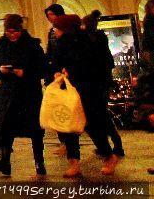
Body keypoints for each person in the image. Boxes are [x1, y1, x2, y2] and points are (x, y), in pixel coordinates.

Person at [47, 13, 120, 177]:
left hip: (89, 91)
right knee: (70, 126)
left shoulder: (87, 41)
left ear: (66, 29)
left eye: (57, 29)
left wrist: (70, 71)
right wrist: (56, 72)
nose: (55, 32)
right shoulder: (61, 43)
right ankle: (74, 163)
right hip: (69, 90)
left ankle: (109, 156)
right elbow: (55, 63)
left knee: (93, 125)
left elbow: (93, 65)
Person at [0, 14, 46, 177]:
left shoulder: (33, 45)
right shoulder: (0, 45)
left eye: (15, 31)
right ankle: (5, 162)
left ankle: (39, 162)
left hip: (29, 94)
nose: (12, 35)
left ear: (21, 29)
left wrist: (25, 72)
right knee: (6, 128)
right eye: (9, 31)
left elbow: (42, 68)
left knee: (35, 130)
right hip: (8, 94)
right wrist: (0, 70)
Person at [81, 10, 125, 157]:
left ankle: (114, 144)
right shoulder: (100, 38)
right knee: (102, 115)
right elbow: (108, 62)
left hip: (96, 83)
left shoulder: (90, 40)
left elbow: (96, 63)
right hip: (103, 82)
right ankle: (112, 144)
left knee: (101, 116)